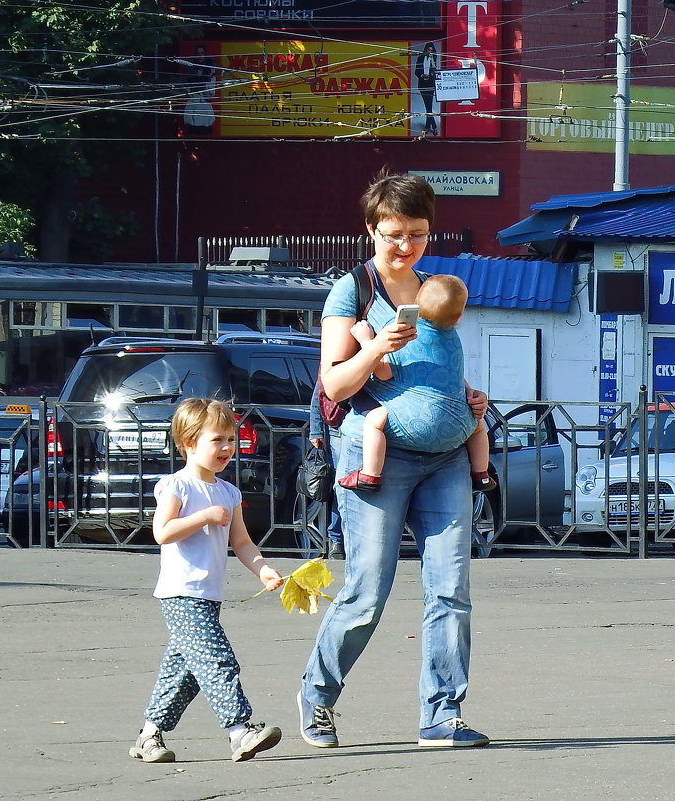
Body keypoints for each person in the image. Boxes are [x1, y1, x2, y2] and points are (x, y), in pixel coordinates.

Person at [298, 170, 490, 749]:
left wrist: (467, 397)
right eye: (394, 233)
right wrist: (376, 347)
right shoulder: (351, 291)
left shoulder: (436, 289)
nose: (405, 245)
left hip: (445, 456)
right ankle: (318, 695)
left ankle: (441, 713)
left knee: (450, 588)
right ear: (371, 230)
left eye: (417, 233)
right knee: (367, 589)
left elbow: (436, 370)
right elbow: (333, 384)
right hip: (375, 455)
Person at [130, 397, 285, 764]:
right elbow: (162, 532)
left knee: (184, 672)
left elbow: (242, 542)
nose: (227, 448)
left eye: (231, 440)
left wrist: (262, 568)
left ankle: (149, 736)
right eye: (217, 440)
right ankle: (239, 730)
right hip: (181, 593)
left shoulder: (228, 492)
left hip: (208, 594)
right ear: (188, 443)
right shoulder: (177, 486)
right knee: (217, 661)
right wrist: (203, 518)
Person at [337, 273, 495, 494]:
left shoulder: (407, 334)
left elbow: (382, 372)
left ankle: (370, 475)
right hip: (458, 427)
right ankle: (481, 474)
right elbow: (453, 375)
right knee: (478, 427)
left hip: (414, 424)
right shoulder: (452, 339)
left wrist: (366, 340)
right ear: (458, 318)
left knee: (375, 420)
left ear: (415, 305)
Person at [308, 390, 345, 560]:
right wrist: (316, 430)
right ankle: (336, 539)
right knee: (342, 485)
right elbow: (320, 393)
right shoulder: (335, 362)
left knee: (357, 486)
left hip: (369, 426)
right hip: (339, 427)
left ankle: (343, 539)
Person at [415, 43, 439, 136]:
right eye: (428, 50)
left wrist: (430, 75)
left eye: (431, 50)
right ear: (426, 50)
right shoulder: (420, 58)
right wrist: (422, 75)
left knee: (429, 105)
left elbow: (434, 70)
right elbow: (416, 71)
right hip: (422, 83)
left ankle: (431, 127)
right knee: (427, 106)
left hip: (430, 84)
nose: (430, 52)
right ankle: (430, 126)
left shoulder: (434, 58)